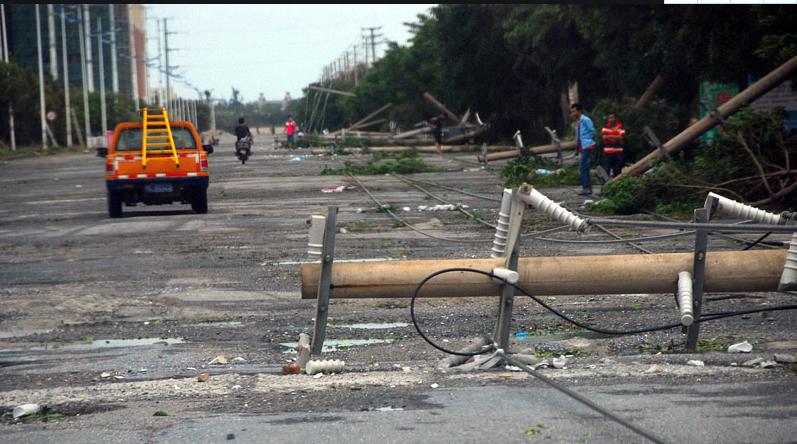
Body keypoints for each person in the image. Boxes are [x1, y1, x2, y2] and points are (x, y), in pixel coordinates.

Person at [570, 103, 596, 195]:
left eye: (574, 111)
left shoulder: (585, 120)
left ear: (579, 111)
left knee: (582, 167)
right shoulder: (579, 122)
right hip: (583, 146)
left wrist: (589, 141)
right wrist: (577, 147)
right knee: (584, 167)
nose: (572, 113)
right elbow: (579, 136)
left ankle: (586, 188)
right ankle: (588, 188)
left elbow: (592, 131)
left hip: (587, 145)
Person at [600, 112, 626, 178]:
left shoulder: (621, 127)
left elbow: (621, 137)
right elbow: (604, 137)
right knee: (606, 170)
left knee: (617, 171)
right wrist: (615, 136)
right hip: (607, 152)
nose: (610, 119)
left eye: (611, 118)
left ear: (615, 118)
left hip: (618, 152)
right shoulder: (605, 127)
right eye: (609, 118)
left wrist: (609, 136)